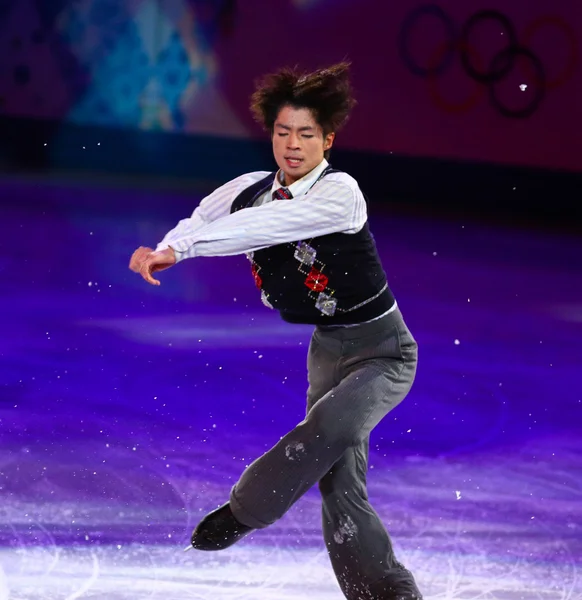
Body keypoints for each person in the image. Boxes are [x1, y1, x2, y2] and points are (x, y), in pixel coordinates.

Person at [129, 62, 422, 600]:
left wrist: (185, 250)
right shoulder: (249, 188)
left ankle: (245, 509)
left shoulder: (340, 194)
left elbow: (263, 227)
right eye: (283, 132)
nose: (292, 144)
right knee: (339, 485)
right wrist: (171, 245)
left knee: (329, 430)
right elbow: (205, 218)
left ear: (327, 140)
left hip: (383, 351)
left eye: (306, 134)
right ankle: (381, 592)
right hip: (326, 351)